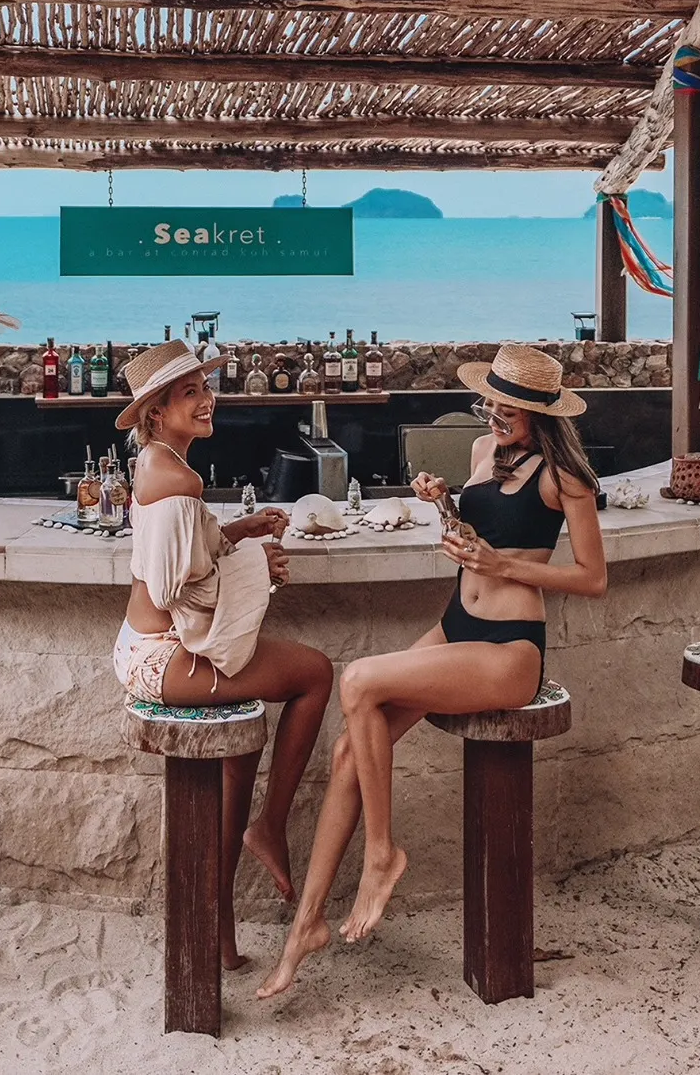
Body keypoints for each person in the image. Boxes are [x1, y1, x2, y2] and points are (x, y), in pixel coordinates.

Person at [259, 344, 609, 998]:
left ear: (541, 414)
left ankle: (382, 854)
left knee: (358, 680)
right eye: (491, 406)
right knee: (347, 750)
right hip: (457, 625)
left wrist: (505, 566)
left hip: (509, 650)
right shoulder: (482, 450)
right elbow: (475, 539)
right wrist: (443, 506)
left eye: (509, 412)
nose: (495, 419)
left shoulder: (565, 477)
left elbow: (592, 578)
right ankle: (306, 927)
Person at [110, 338, 334, 970]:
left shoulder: (158, 463)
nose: (207, 400)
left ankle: (222, 927)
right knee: (315, 675)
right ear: (156, 412)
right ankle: (270, 825)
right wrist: (259, 565)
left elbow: (179, 552)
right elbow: (174, 588)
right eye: (190, 393)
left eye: (205, 388)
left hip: (146, 647)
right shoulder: (178, 478)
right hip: (162, 658)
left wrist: (240, 531)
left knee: (245, 742)